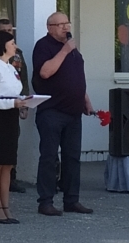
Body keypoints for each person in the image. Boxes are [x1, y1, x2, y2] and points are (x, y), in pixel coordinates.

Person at [32, 12, 93, 216]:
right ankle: (46, 202)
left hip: (74, 112)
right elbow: (45, 72)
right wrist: (65, 51)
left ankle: (71, 200)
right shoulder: (44, 46)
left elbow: (76, 77)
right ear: (50, 27)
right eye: (61, 25)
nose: (66, 28)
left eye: (67, 23)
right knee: (49, 157)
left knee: (72, 157)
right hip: (52, 111)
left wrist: (85, 100)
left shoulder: (72, 49)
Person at [0, 30, 30, 224]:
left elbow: (13, 91)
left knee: (8, 163)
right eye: (12, 43)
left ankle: (5, 205)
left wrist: (23, 102)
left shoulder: (10, 68)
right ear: (2, 45)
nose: (15, 46)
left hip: (10, 117)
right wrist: (12, 103)